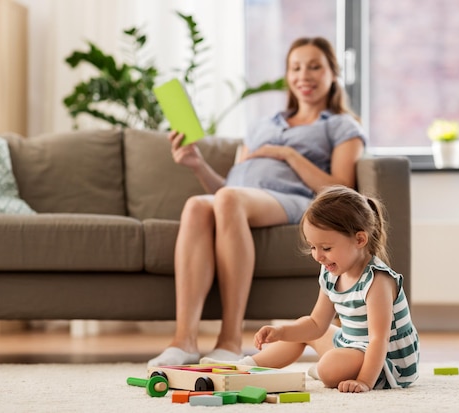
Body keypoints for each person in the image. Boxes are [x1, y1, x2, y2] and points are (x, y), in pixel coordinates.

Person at [147, 37, 367, 367]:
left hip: (294, 200)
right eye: (295, 67)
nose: (303, 75)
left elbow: (341, 188)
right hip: (240, 197)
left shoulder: (340, 125)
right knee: (197, 204)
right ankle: (184, 340)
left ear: (332, 73)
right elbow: (231, 188)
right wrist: (197, 164)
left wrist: (287, 154)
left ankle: (230, 340)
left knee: (228, 200)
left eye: (314, 66)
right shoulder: (264, 125)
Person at [202, 185, 420, 392]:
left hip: (387, 360)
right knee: (302, 330)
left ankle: (330, 370)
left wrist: (363, 381)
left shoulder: (378, 281)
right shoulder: (331, 272)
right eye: (313, 247)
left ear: (360, 240)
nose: (318, 255)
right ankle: (245, 367)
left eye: (326, 248)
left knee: (328, 368)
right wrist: (282, 332)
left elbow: (378, 340)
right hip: (354, 345)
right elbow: (316, 324)